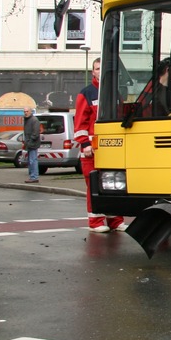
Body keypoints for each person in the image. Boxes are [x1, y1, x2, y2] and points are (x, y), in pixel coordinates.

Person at [74, 57, 125, 233]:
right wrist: (85, 144)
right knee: (94, 185)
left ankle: (115, 220)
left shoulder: (114, 92)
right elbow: (80, 123)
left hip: (111, 148)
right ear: (93, 72)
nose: (99, 71)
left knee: (114, 183)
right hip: (91, 150)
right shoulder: (86, 93)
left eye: (101, 68)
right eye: (96, 69)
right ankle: (95, 221)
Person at [22, 107, 42, 183]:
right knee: (30, 161)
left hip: (33, 143)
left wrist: (30, 141)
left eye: (27, 111)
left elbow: (35, 133)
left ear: (30, 112)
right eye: (24, 111)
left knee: (33, 160)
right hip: (28, 143)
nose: (25, 113)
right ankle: (32, 176)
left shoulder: (34, 120)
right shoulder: (26, 120)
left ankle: (34, 177)